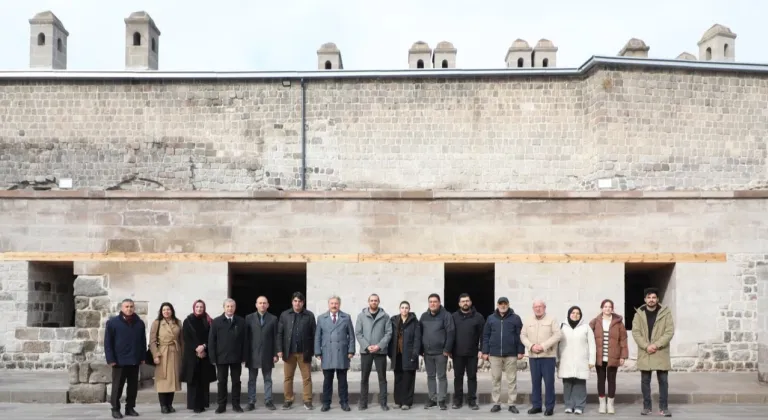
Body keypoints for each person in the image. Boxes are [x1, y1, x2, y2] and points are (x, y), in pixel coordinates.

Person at [632, 288, 675, 417]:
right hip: (645, 352)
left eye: (654, 297)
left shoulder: (665, 313)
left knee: (663, 381)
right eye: (649, 297)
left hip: (660, 351)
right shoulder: (639, 314)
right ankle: (647, 407)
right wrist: (646, 346)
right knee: (645, 381)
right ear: (645, 299)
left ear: (657, 299)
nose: (651, 300)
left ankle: (664, 408)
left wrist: (656, 345)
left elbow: (669, 332)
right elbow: (636, 332)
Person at [481, 296, 525, 414]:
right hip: (495, 354)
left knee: (511, 379)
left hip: (511, 354)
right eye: (501, 304)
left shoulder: (515, 318)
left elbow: (520, 335)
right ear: (497, 305)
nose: (503, 305)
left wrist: (521, 351)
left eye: (505, 303)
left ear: (508, 304)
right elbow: (486, 336)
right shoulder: (491, 318)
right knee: (496, 379)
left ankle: (512, 404)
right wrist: (485, 351)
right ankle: (496, 403)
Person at [105, 298, 146, 419]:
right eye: (126, 307)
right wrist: (111, 359)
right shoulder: (113, 323)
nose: (129, 309)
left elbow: (143, 341)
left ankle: (130, 408)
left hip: (134, 359)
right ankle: (115, 408)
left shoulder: (139, 323)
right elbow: (108, 343)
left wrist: (142, 357)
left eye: (131, 306)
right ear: (122, 308)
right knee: (117, 386)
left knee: (133, 386)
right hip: (119, 360)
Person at [521, 299, 562, 416]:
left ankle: (549, 407)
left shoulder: (552, 319)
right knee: (535, 382)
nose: (538, 309)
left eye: (540, 306)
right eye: (536, 307)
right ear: (533, 308)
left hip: (548, 356)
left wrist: (543, 346)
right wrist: (531, 346)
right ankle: (536, 406)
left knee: (549, 383)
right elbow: (523, 335)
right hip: (533, 356)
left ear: (544, 307)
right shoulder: (528, 320)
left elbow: (558, 335)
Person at [315, 295, 356, 412]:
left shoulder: (346, 317)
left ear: (339, 304)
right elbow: (317, 337)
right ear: (328, 304)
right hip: (327, 353)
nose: (334, 305)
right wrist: (317, 351)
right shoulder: (321, 318)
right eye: (332, 303)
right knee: (327, 381)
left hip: (342, 353)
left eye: (336, 303)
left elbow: (351, 336)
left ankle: (344, 402)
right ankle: (326, 403)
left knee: (342, 381)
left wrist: (351, 350)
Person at [277, 292, 316, 410]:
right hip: (289, 352)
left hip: (304, 352)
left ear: (303, 303)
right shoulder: (285, 315)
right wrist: (279, 349)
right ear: (292, 302)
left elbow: (314, 334)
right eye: (295, 301)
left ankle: (307, 400)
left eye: (299, 301)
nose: (297, 303)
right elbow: (280, 333)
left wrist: (314, 350)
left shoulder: (309, 315)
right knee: (288, 377)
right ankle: (288, 400)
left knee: (307, 378)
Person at [589, 299, 628, 414]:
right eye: (605, 306)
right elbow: (588, 337)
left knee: (612, 380)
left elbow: (623, 339)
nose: (607, 309)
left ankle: (610, 404)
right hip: (599, 356)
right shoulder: (595, 321)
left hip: (613, 356)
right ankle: (602, 404)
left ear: (612, 309)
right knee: (601, 380)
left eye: (610, 307)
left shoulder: (618, 322)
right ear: (602, 308)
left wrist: (623, 356)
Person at [208, 298, 247, 414]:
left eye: (232, 306)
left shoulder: (241, 321)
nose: (230, 308)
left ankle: (236, 404)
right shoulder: (216, 321)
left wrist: (244, 356)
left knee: (236, 382)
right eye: (228, 306)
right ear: (224, 307)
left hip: (236, 357)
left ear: (235, 308)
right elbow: (211, 340)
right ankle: (221, 405)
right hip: (221, 357)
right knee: (221, 382)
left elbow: (245, 340)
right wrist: (213, 357)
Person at [355, 293, 392, 411]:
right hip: (366, 352)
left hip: (380, 352)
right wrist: (367, 346)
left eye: (375, 300)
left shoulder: (385, 316)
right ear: (368, 302)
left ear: (378, 302)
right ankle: (363, 403)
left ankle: (383, 403)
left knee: (382, 379)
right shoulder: (361, 316)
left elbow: (388, 333)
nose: (373, 302)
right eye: (371, 300)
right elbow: (358, 333)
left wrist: (379, 346)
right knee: (364, 378)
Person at [556, 306, 596, 415]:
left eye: (578, 313)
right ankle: (569, 405)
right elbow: (556, 345)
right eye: (573, 313)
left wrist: (591, 360)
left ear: (580, 315)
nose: (575, 315)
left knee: (580, 384)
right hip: (566, 360)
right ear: (569, 314)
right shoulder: (562, 327)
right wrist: (557, 359)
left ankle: (579, 406)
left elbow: (592, 344)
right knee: (567, 384)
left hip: (581, 361)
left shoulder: (586, 327)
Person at [419, 293, 455, 410]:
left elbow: (451, 333)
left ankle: (442, 400)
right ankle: (433, 399)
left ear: (439, 303)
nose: (433, 304)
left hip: (441, 353)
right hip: (427, 353)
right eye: (430, 302)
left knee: (441, 376)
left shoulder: (446, 315)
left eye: (435, 301)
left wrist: (447, 349)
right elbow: (419, 333)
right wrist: (421, 350)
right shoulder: (424, 316)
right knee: (430, 376)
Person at [181, 299, 216, 414]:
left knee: (203, 380)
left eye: (201, 307)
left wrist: (204, 346)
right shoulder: (188, 321)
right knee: (193, 380)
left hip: (205, 354)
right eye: (197, 307)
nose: (199, 309)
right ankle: (194, 404)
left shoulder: (208, 321)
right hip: (192, 354)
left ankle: (203, 404)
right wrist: (197, 348)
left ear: (204, 308)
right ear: (194, 308)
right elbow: (186, 337)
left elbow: (211, 336)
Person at [451, 293, 485, 410]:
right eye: (463, 301)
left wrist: (482, 350)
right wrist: (449, 349)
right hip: (457, 353)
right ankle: (457, 401)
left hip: (472, 353)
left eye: (467, 301)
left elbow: (483, 335)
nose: (465, 303)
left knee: (472, 377)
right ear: (459, 304)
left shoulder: (478, 317)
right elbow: (450, 334)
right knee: (458, 377)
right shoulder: (454, 317)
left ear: (470, 302)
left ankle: (472, 401)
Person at [244, 296, 279, 411]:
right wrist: (245, 354)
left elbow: (276, 337)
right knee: (252, 380)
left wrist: (275, 354)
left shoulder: (273, 319)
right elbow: (246, 338)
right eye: (260, 303)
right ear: (256, 305)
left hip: (267, 353)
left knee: (268, 379)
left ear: (268, 305)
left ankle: (268, 400)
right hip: (252, 354)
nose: (262, 305)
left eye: (264, 303)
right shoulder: (249, 318)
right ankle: (251, 401)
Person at [149, 302, 183, 414]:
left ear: (172, 311)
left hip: (175, 353)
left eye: (168, 309)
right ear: (161, 311)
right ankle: (163, 405)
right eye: (164, 310)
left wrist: (183, 355)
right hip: (162, 353)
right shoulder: (157, 323)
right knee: (163, 380)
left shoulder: (178, 322)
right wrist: (155, 355)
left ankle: (170, 404)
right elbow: (152, 341)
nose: (166, 312)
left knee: (173, 380)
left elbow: (182, 340)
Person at [388, 301, 421, 410]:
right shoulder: (394, 321)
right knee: (398, 378)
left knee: (408, 378)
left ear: (409, 309)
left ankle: (406, 402)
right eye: (402, 307)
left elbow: (417, 339)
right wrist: (390, 353)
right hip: (397, 354)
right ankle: (398, 401)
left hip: (409, 354)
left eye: (406, 308)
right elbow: (390, 338)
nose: (404, 309)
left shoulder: (414, 322)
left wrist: (415, 353)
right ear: (399, 309)